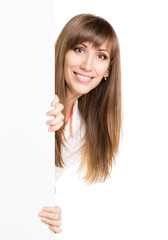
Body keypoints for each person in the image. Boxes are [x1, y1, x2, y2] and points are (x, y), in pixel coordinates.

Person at [38, 13, 122, 234]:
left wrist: (45, 207)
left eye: (101, 56)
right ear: (62, 51)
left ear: (108, 71)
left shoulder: (82, 132)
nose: (87, 65)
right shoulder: (30, 94)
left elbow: (34, 184)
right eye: (79, 50)